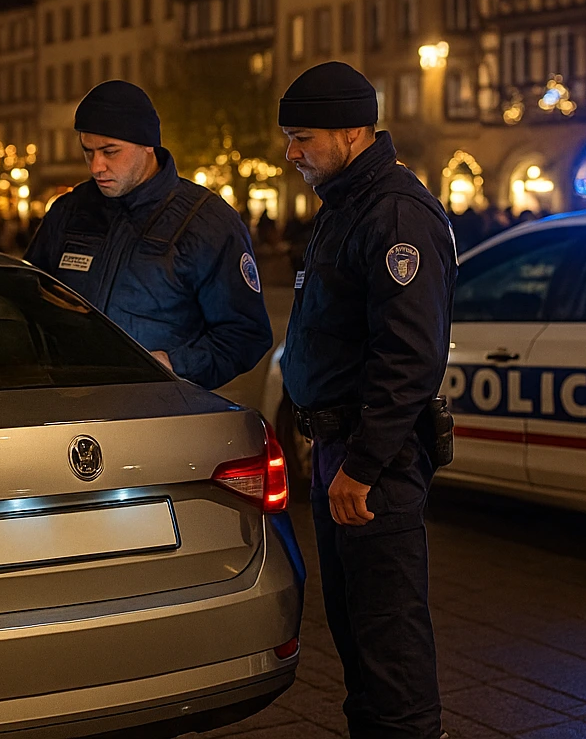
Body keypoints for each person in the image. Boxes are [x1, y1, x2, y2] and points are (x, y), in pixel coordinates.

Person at [277, 61, 456, 739]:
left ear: (353, 132)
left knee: (388, 632)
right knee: (356, 628)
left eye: (303, 138)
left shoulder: (395, 211)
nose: (292, 153)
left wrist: (363, 464)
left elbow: (408, 357)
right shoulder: (349, 202)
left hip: (371, 458)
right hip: (339, 447)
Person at [25, 80, 272, 391]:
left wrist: (173, 365)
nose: (96, 166)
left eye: (110, 151)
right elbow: (29, 300)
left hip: (158, 412)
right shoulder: (69, 211)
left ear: (147, 144)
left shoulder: (206, 221)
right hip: (67, 401)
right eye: (88, 151)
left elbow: (245, 334)